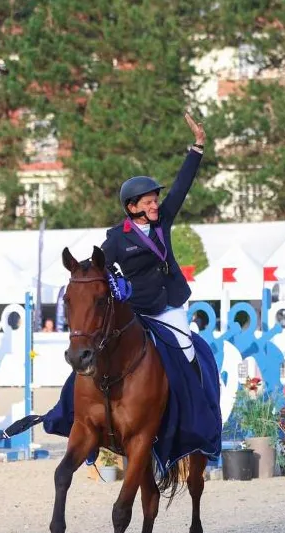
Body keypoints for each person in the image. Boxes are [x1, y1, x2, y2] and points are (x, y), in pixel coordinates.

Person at [100, 112, 206, 376]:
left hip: (170, 304)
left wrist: (198, 146)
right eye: (148, 202)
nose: (155, 205)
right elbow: (99, 269)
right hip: (136, 311)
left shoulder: (162, 221)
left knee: (188, 349)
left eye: (155, 200)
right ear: (132, 207)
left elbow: (181, 187)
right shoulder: (117, 238)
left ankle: (197, 404)